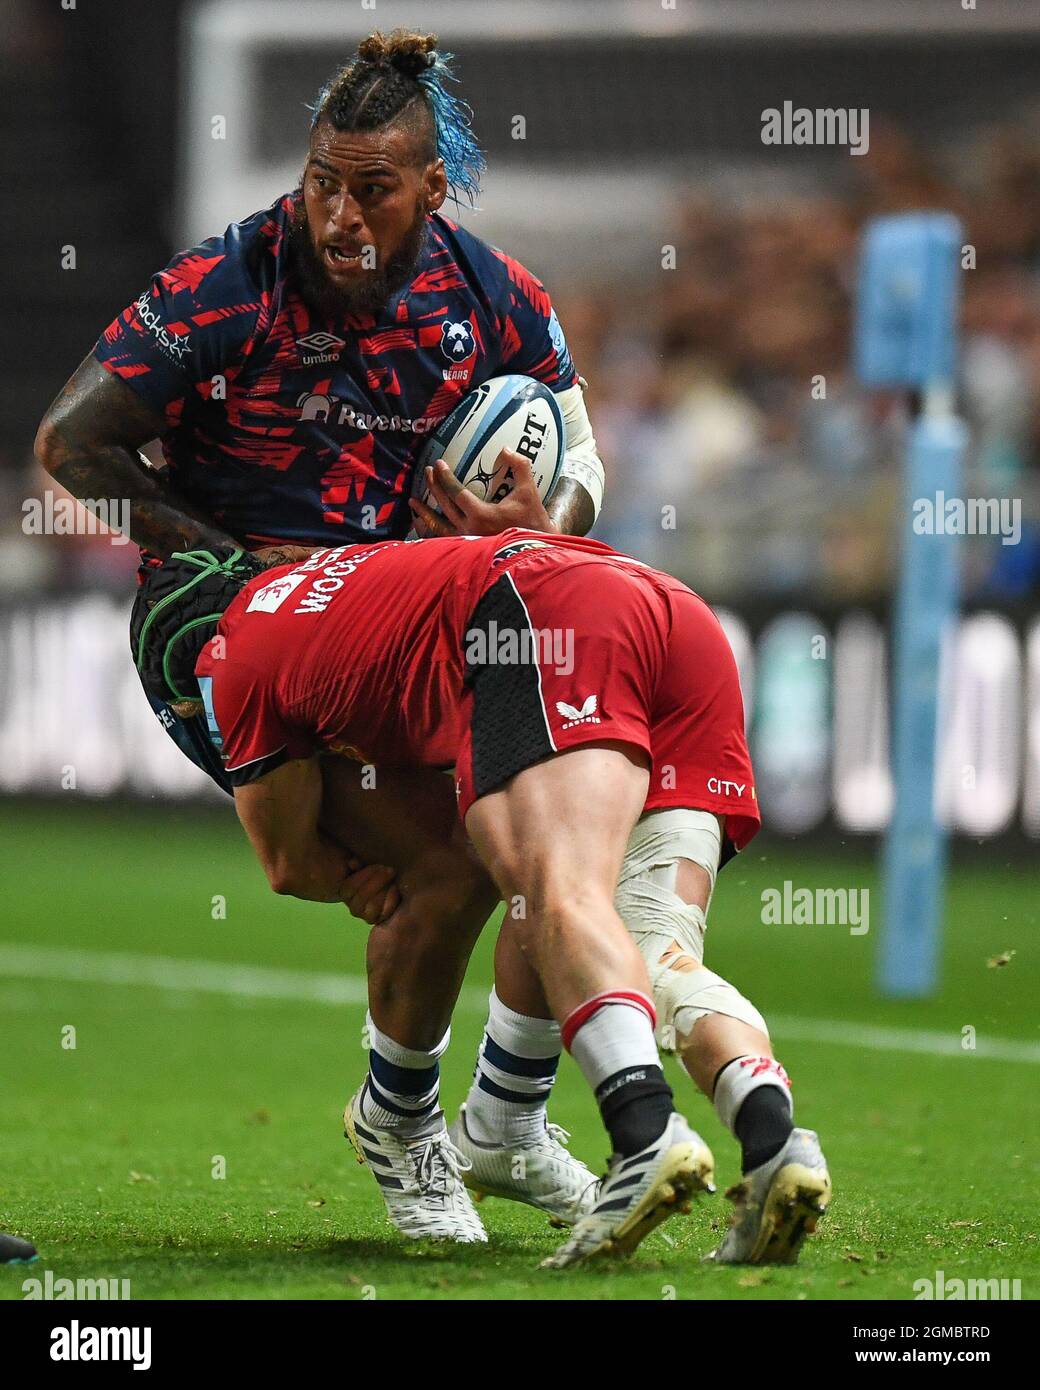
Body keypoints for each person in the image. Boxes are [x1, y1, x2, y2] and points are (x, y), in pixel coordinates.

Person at [33, 29, 607, 1237]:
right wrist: (233, 556)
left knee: (553, 832)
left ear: (433, 189)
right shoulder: (223, 286)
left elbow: (578, 452)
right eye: (320, 183)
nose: (339, 217)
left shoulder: (495, 298)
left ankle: (503, 1118)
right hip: (230, 626)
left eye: (372, 189)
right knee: (444, 859)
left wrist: (540, 520)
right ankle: (402, 1124)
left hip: (396, 622)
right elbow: (70, 445)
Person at [131, 521, 831, 1266]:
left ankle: (644, 1131)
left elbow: (288, 864)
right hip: (673, 613)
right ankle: (773, 1138)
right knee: (652, 945)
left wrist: (357, 879)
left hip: (550, 622)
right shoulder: (347, 566)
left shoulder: (229, 655)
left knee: (557, 890)